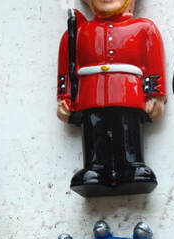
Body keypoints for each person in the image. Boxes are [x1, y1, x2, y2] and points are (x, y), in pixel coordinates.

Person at [57, 0, 166, 197]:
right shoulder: (76, 33)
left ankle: (131, 165)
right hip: (90, 95)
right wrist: (64, 97)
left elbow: (153, 62)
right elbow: (66, 69)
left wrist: (155, 94)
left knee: (128, 128)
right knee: (94, 129)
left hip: (128, 93)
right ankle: (96, 167)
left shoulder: (144, 28)